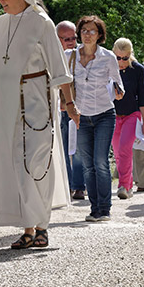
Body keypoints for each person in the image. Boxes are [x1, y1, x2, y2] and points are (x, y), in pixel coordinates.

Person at [0, 0, 77, 248]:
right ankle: (29, 228)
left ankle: (43, 225)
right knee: (16, 164)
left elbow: (59, 68)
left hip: (37, 98)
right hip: (6, 102)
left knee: (37, 161)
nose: (0, 0)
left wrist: (70, 103)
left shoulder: (41, 21)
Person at [69, 16, 123, 222]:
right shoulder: (70, 56)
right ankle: (94, 208)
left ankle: (105, 208)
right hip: (81, 116)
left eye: (92, 31)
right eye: (84, 30)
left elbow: (118, 84)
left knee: (100, 161)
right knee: (87, 165)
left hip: (104, 114)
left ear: (99, 35)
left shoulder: (108, 57)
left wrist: (119, 91)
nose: (87, 34)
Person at [111, 38, 144, 199]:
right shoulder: (108, 68)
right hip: (112, 115)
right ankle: (129, 183)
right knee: (118, 153)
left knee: (125, 149)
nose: (121, 61)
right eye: (118, 57)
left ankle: (123, 186)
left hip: (132, 114)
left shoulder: (138, 69)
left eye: (124, 58)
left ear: (130, 55)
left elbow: (143, 98)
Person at [56, 20, 85, 200]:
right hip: (60, 108)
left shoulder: (83, 54)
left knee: (79, 148)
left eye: (73, 38)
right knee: (63, 148)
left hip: (80, 107)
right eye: (66, 38)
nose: (70, 42)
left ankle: (79, 186)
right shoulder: (52, 55)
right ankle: (66, 185)